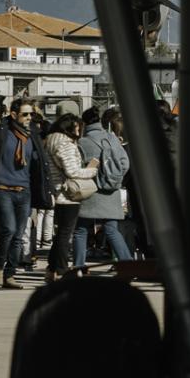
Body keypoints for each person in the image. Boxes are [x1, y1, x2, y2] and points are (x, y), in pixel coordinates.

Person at [0, 101, 48, 289]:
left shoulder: (32, 134)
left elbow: (39, 162)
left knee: (19, 235)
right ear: (14, 115)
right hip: (4, 188)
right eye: (25, 114)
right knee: (8, 229)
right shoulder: (3, 130)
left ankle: (10, 274)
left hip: (24, 190)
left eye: (31, 114)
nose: (29, 118)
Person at [42, 112, 100, 280]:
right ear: (70, 127)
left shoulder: (50, 139)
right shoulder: (65, 143)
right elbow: (72, 170)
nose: (79, 130)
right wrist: (92, 171)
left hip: (57, 190)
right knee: (65, 234)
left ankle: (52, 269)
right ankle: (61, 268)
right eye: (77, 127)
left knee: (61, 233)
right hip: (67, 193)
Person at [77, 108, 132, 263]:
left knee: (81, 230)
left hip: (91, 192)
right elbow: (125, 163)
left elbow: (78, 169)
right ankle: (127, 263)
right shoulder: (112, 139)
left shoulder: (82, 142)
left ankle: (78, 266)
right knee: (111, 230)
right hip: (111, 191)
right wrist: (115, 178)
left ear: (84, 123)